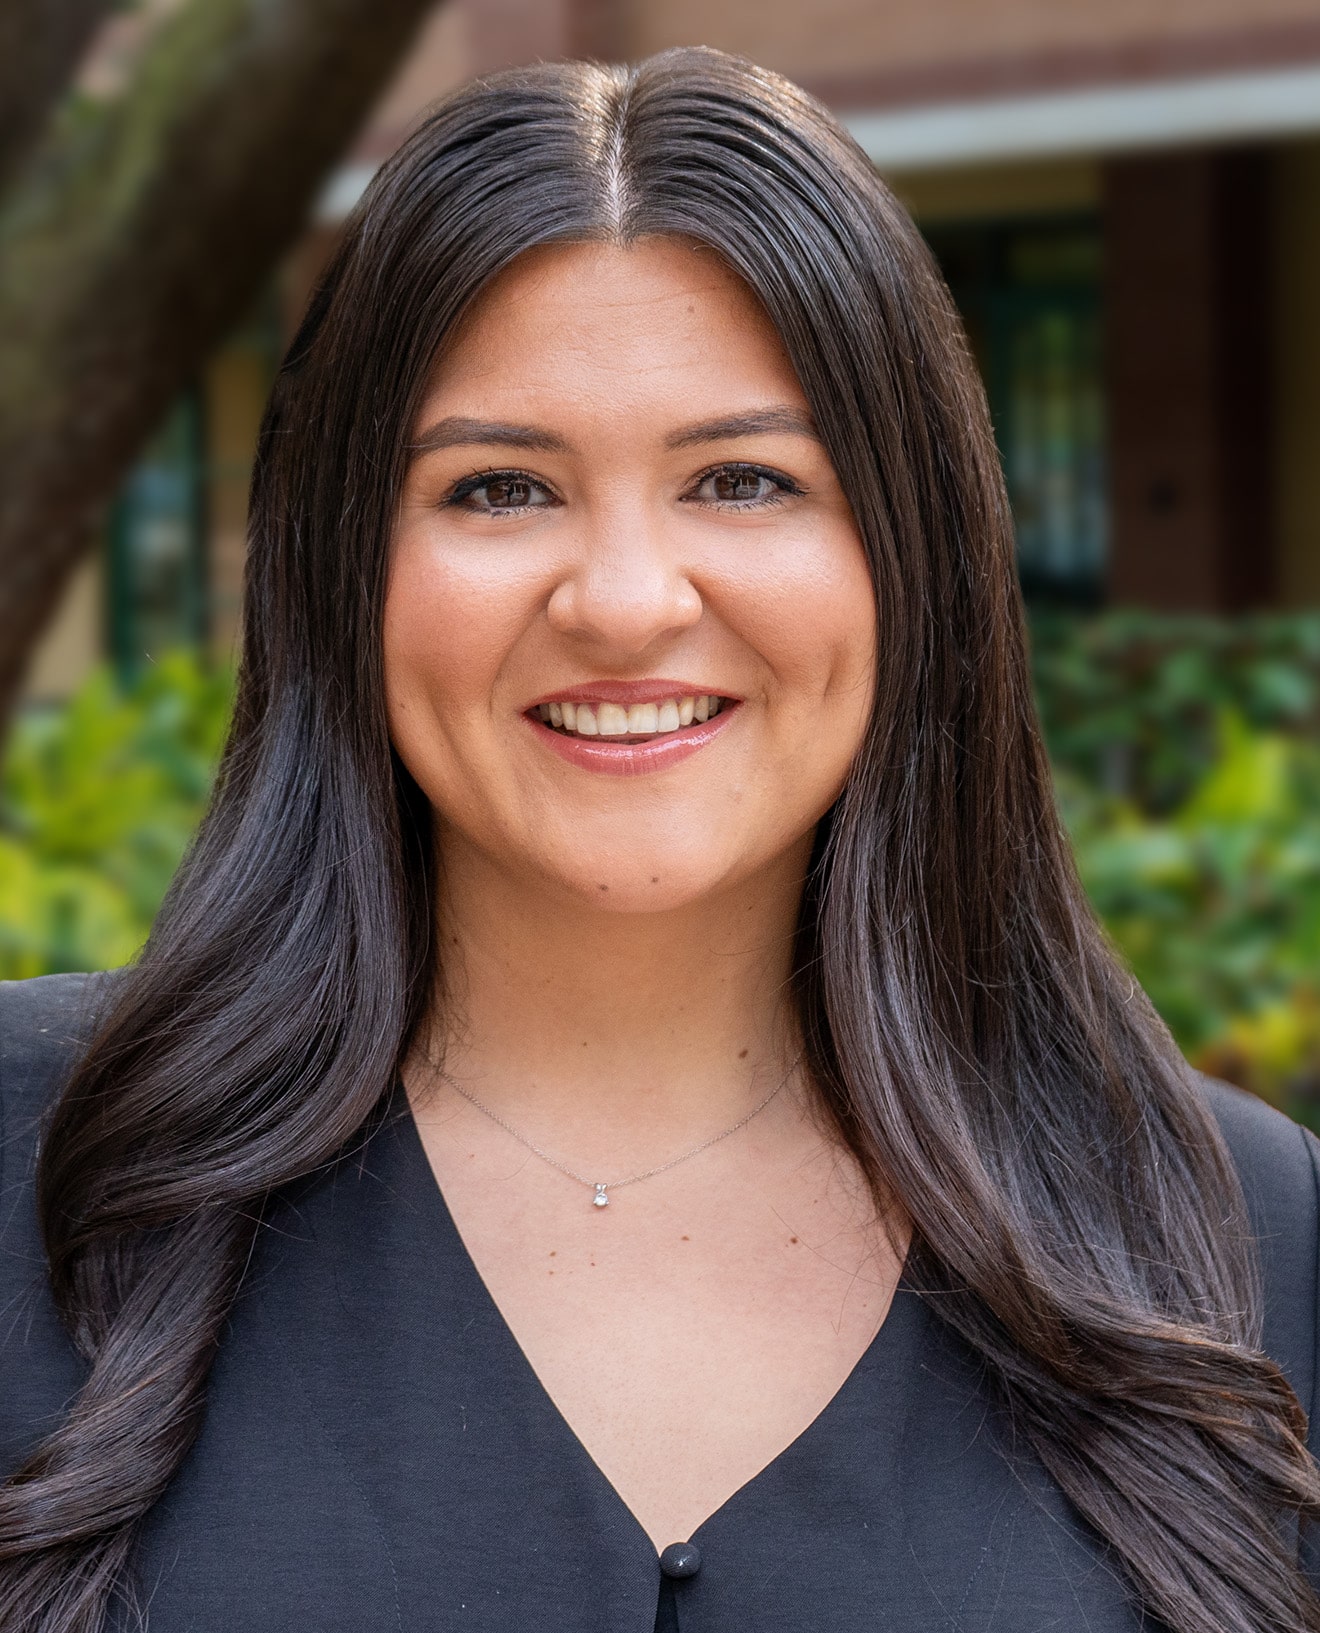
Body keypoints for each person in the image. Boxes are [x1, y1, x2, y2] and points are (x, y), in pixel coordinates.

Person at [1, 46, 1318, 1633]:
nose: (625, 601)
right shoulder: (40, 1168)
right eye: (498, 489)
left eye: (743, 479)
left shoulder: (1233, 1239)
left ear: (916, 556)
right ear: (342, 563)